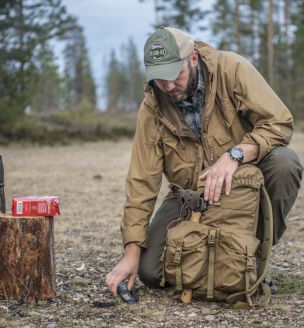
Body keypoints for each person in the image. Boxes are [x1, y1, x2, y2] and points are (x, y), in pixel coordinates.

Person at [105, 26, 303, 296]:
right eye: (160, 79)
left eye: (175, 75)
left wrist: (235, 155)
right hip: (190, 198)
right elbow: (141, 181)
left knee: (285, 163)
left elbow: (279, 123)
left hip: (242, 190)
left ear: (194, 58)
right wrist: (130, 253)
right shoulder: (152, 107)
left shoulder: (232, 70)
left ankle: (249, 258)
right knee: (150, 272)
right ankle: (213, 264)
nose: (169, 86)